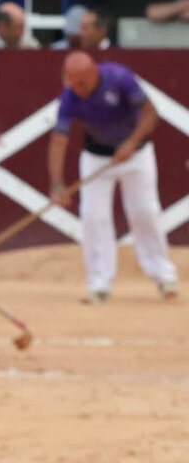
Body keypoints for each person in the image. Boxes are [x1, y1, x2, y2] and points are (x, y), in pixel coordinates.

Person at [47, 52, 179, 303]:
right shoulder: (70, 96)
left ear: (94, 73)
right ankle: (99, 283)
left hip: (137, 154)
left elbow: (151, 113)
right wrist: (57, 183)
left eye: (82, 84)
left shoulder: (119, 77)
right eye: (73, 84)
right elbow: (59, 140)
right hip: (97, 157)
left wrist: (131, 143)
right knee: (93, 216)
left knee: (144, 211)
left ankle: (164, 276)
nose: (79, 90)